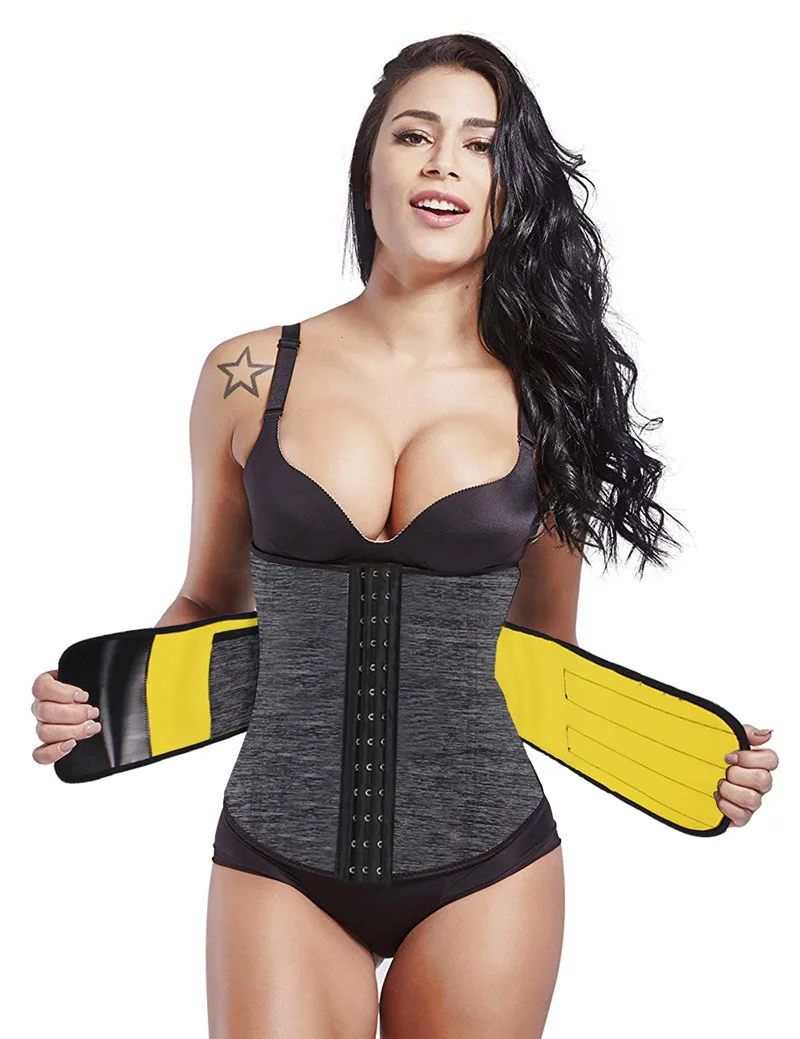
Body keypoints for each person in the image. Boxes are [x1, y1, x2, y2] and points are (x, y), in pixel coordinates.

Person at [30, 33, 778, 1039]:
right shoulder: (248, 374)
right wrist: (108, 701)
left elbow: (542, 650)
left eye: (479, 144)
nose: (442, 163)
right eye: (413, 135)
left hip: (488, 859)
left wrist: (689, 763)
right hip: (277, 853)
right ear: (368, 164)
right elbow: (208, 600)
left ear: (508, 186)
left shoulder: (547, 400)